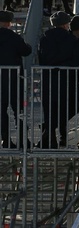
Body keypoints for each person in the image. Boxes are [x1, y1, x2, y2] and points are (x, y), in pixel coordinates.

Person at [38, 11, 79, 148]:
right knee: (70, 106)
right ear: (65, 24)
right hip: (68, 79)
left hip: (49, 79)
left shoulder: (45, 38)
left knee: (50, 109)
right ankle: (53, 132)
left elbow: (42, 59)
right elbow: (78, 60)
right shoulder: (71, 40)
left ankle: (49, 138)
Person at [0, 11, 32, 148]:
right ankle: (24, 140)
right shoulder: (14, 37)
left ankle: (6, 140)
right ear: (8, 23)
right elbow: (26, 51)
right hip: (14, 79)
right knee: (19, 111)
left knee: (2, 112)